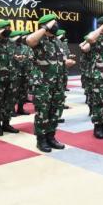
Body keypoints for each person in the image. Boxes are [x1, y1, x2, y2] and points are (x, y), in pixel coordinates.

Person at [26, 14, 75, 152]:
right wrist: (44, 27)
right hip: (43, 83)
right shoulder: (39, 40)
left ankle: (51, 137)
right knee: (43, 112)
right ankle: (41, 140)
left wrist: (66, 63)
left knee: (55, 111)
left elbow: (57, 60)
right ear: (46, 26)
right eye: (53, 24)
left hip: (58, 83)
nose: (56, 26)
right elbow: (29, 40)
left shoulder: (58, 42)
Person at [0, 20, 20, 135]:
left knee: (10, 102)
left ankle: (6, 124)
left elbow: (12, 56)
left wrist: (17, 58)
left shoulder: (12, 42)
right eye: (5, 28)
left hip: (12, 77)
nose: (8, 30)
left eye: (8, 27)